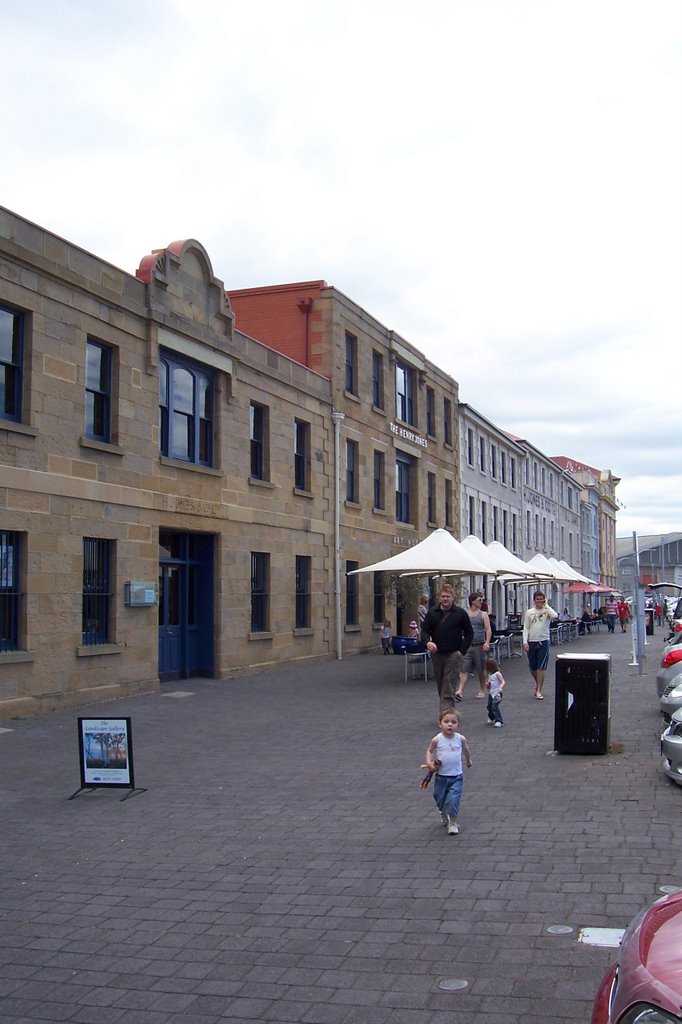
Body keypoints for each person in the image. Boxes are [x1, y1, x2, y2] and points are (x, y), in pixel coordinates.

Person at [421, 585, 474, 709]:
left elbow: (469, 633)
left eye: (448, 597)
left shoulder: (460, 613)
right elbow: (424, 631)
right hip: (437, 653)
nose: (445, 599)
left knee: (449, 682)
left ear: (452, 598)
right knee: (440, 682)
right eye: (443, 596)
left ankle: (446, 712)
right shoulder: (432, 613)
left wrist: (461, 652)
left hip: (454, 654)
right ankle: (447, 708)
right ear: (440, 597)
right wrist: (427, 642)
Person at [424, 707, 473, 835]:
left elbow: (466, 750)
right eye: (446, 721)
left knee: (453, 799)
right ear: (440, 723)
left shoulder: (460, 738)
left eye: (453, 722)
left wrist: (468, 761)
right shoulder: (437, 739)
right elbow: (430, 751)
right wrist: (430, 762)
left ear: (458, 725)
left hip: (456, 776)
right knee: (439, 797)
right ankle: (443, 811)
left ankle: (453, 823)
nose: (450, 724)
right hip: (441, 777)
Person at [455, 591, 491, 701]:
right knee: (464, 669)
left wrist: (487, 642)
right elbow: (459, 628)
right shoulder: (465, 614)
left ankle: (482, 690)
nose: (481, 602)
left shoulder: (483, 614)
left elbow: (488, 629)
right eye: (479, 600)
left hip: (479, 645)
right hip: (467, 645)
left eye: (482, 600)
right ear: (472, 601)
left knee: (481, 669)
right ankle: (460, 691)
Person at [522, 591, 558, 700]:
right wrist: (525, 641)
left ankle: (539, 691)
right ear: (534, 600)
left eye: (541, 599)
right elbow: (526, 628)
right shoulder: (529, 612)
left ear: (544, 599)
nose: (539, 601)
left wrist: (546, 605)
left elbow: (555, 615)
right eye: (537, 599)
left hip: (543, 641)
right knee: (533, 668)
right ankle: (538, 684)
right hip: (532, 642)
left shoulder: (547, 611)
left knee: (540, 667)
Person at [484, 657, 505, 727]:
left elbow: (503, 681)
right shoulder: (490, 674)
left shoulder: (497, 674)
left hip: (497, 693)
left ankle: (499, 720)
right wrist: (487, 684)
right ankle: (492, 717)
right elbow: (489, 684)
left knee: (494, 707)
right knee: (489, 706)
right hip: (491, 693)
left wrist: (500, 688)